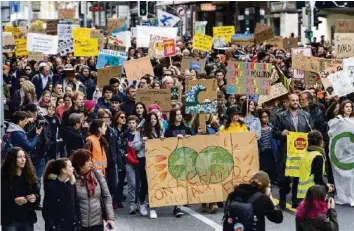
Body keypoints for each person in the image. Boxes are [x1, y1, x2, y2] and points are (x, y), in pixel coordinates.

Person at [273, 94, 313, 209]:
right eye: (293, 100)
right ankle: (282, 199)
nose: (295, 102)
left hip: (301, 150)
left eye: (297, 100)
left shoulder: (306, 116)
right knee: (285, 175)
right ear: (287, 102)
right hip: (286, 150)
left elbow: (312, 130)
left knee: (298, 176)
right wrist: (281, 133)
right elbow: (274, 133)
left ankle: (296, 200)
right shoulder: (280, 116)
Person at [71, 149, 116, 231]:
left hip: (97, 223)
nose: (91, 163)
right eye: (87, 161)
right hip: (79, 224)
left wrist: (110, 218)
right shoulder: (71, 179)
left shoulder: (97, 176)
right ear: (80, 164)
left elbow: (107, 197)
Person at [132, 111, 163, 219]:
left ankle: (153, 208)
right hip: (144, 159)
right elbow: (134, 146)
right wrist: (142, 142)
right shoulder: (140, 131)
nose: (153, 121)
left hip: (156, 160)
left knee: (154, 184)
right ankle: (141, 203)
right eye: (151, 119)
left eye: (155, 119)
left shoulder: (160, 130)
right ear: (147, 120)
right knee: (145, 183)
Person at [1, 147, 40, 231]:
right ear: (12, 159)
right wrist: (14, 201)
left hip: (26, 217)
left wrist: (34, 197)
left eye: (24, 157)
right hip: (10, 219)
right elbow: (2, 198)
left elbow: (37, 194)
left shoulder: (29, 175)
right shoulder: (4, 176)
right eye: (19, 157)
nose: (23, 159)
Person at [42, 158, 81, 231]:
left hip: (71, 226)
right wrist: (52, 226)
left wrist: (78, 221)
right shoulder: (52, 186)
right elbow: (47, 210)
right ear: (64, 170)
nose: (73, 168)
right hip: (58, 226)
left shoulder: (71, 185)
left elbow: (76, 204)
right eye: (70, 166)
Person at [297, 130, 334, 201]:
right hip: (313, 194)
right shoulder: (318, 156)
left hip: (302, 193)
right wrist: (327, 188)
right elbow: (317, 180)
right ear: (321, 141)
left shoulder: (305, 153)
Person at [258, 108, 278, 183]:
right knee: (264, 169)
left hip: (271, 151)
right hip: (262, 152)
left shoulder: (271, 128)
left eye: (266, 116)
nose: (265, 118)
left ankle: (273, 180)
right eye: (263, 117)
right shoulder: (257, 129)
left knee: (272, 168)